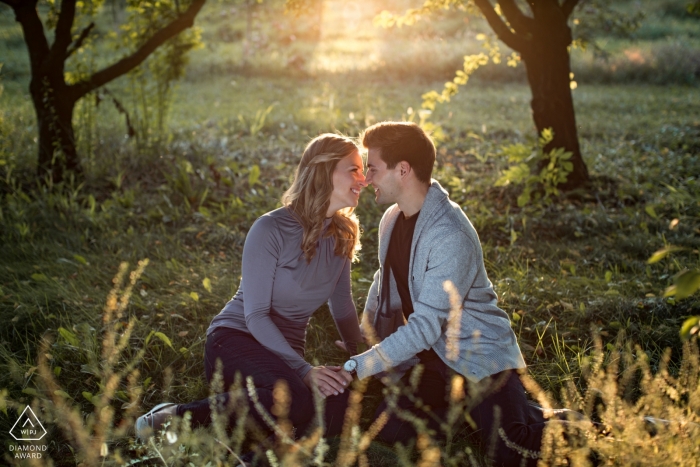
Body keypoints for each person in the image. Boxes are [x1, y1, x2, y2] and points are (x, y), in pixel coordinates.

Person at [339, 122, 571, 467]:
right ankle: (496, 409)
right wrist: (366, 336)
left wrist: (359, 366)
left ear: (403, 170)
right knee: (393, 436)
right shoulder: (391, 218)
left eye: (373, 168)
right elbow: (383, 279)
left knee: (511, 450)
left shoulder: (449, 234)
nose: (366, 178)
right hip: (434, 362)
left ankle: (603, 429)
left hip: (479, 359)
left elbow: (423, 328)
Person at [136, 134, 366, 442]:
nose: (363, 179)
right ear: (323, 171)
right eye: (354, 169)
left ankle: (262, 440)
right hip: (236, 340)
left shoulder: (343, 234)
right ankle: (170, 417)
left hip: (285, 354)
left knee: (335, 397)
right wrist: (304, 371)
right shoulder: (270, 228)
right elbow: (256, 315)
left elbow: (342, 305)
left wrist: (363, 359)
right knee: (294, 400)